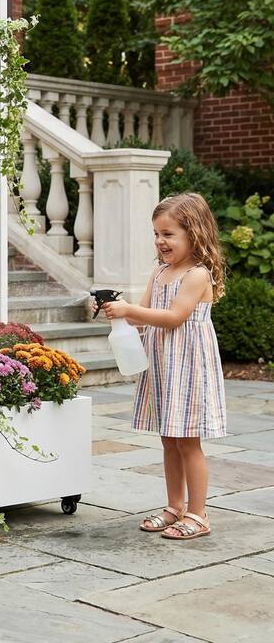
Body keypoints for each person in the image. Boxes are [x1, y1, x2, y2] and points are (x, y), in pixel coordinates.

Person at [97, 192, 226, 540]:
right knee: (169, 438)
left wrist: (129, 311)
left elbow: (173, 317)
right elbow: (144, 312)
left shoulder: (198, 275)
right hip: (163, 363)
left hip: (188, 364)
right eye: (157, 233)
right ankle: (175, 506)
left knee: (188, 442)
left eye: (169, 234)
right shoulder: (160, 270)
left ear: (194, 233)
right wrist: (119, 316)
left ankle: (199, 514)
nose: (160, 241)